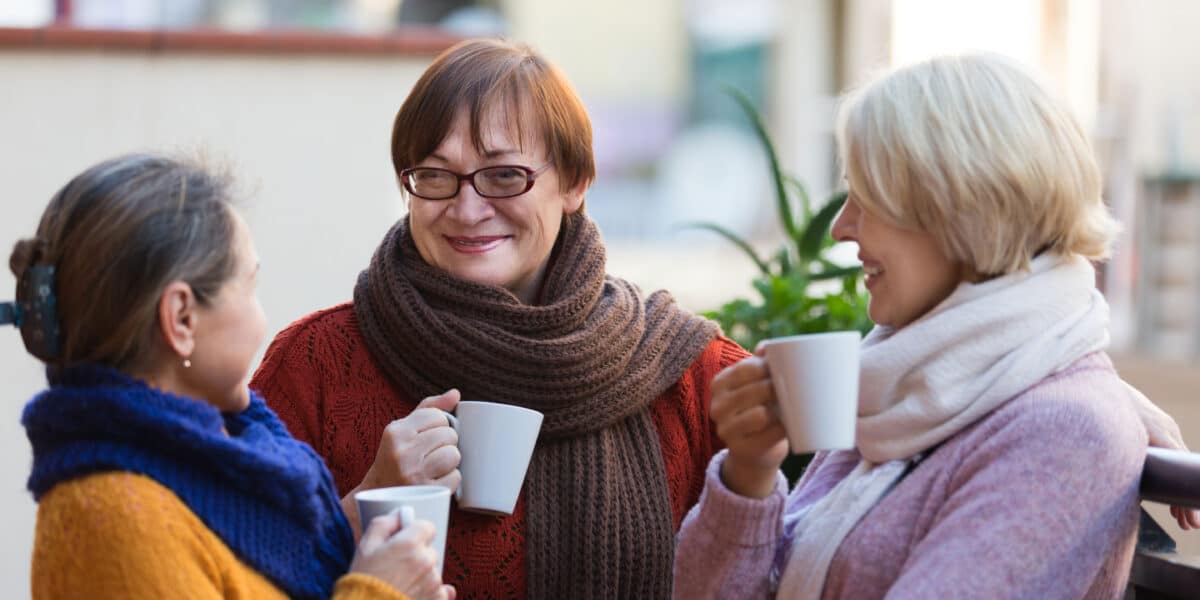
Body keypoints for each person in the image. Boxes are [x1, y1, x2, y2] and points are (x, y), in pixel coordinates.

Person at [672, 53, 1188, 599]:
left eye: (866, 196)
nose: (841, 228)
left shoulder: (1064, 431)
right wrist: (749, 473)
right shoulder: (903, 386)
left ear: (961, 204)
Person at [250, 38, 749, 598]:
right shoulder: (315, 365)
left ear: (576, 182)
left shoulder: (690, 374)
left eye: (505, 175)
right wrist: (364, 504)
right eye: (436, 176)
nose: (467, 210)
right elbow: (224, 574)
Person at [5, 154, 454, 600]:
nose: (261, 316)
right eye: (249, 285)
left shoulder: (221, 465)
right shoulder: (113, 518)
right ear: (181, 318)